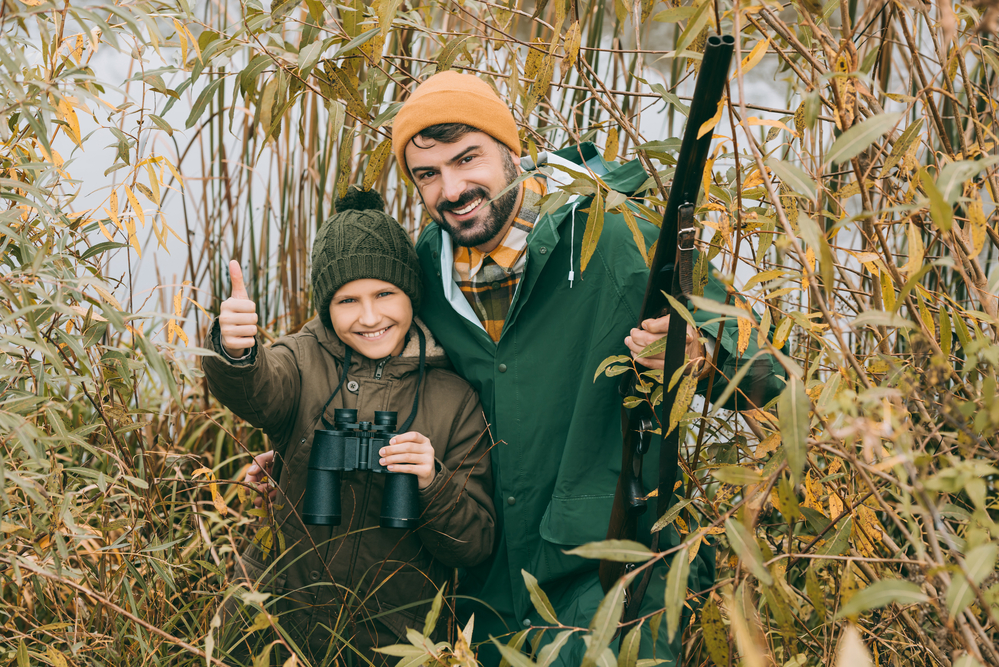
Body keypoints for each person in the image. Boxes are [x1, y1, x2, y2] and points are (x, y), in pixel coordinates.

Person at [388, 71, 786, 665]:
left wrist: (697, 357)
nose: (452, 188)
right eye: (428, 174)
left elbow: (766, 371)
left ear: (509, 152)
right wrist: (297, 437)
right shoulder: (422, 270)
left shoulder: (620, 234)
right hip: (484, 581)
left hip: (609, 571)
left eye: (467, 159)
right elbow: (354, 351)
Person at [203, 188, 496, 666]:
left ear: (412, 295)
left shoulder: (453, 400)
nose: (369, 317)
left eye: (386, 294)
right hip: (274, 622)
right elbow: (257, 390)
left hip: (390, 639)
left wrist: (430, 482)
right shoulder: (300, 360)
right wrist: (235, 351)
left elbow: (474, 545)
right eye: (347, 300)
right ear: (325, 307)